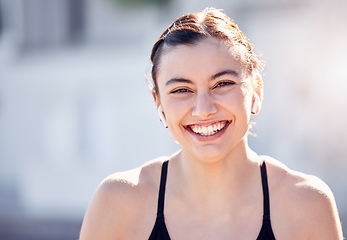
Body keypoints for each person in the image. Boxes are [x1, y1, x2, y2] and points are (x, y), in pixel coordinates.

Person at [79, 8, 343, 240]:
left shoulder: (307, 204)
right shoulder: (118, 202)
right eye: (182, 90)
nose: (203, 109)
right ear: (157, 101)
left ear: (256, 92)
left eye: (222, 84)